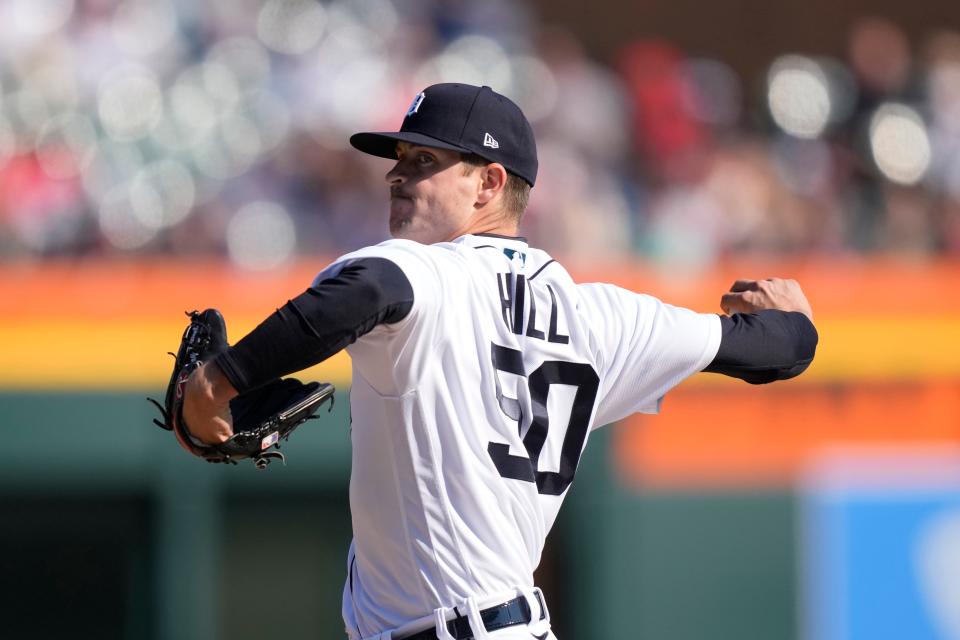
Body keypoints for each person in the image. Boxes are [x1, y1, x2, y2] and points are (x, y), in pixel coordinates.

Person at [181, 83, 818, 640]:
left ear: (488, 181)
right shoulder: (600, 317)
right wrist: (793, 321)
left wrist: (217, 383)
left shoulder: (424, 271)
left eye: (424, 160)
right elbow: (780, 353)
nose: (396, 176)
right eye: (400, 160)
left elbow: (368, 292)